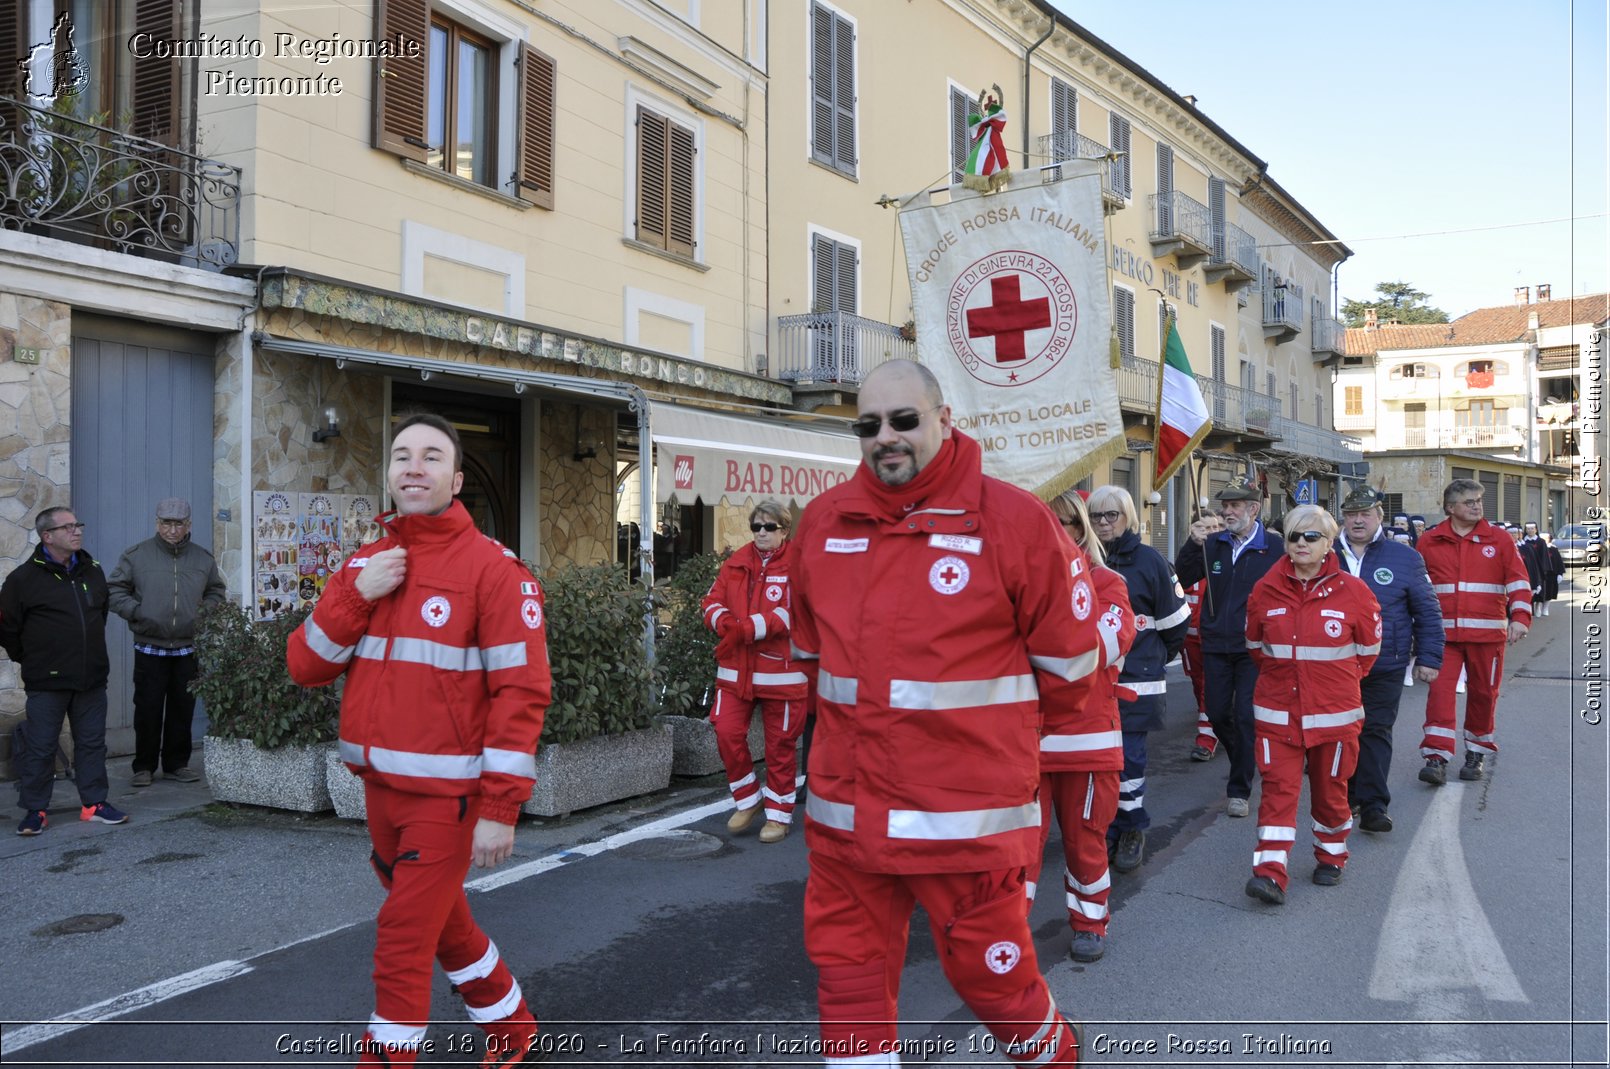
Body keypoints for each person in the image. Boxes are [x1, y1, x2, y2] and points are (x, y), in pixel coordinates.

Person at [790, 359, 1097, 1066]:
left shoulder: (1015, 523)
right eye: (868, 425)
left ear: (944, 419)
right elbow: (812, 661)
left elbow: (1071, 673)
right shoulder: (823, 523)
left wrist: (986, 751)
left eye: (904, 420)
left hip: (966, 827)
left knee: (1000, 990)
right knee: (848, 992)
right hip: (848, 825)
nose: (885, 437)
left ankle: (1058, 1056)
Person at [286, 413, 551, 1067]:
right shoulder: (366, 564)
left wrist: (500, 807)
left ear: (456, 479)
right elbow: (306, 665)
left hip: (449, 799)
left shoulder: (495, 570)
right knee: (443, 920)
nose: (413, 466)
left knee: (403, 935)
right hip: (378, 792)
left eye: (432, 456)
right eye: (402, 454)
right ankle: (514, 1025)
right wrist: (351, 593)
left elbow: (521, 695)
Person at [1243, 504, 1380, 904]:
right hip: (1277, 714)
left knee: (1330, 791)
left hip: (1335, 716)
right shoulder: (1264, 590)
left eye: (1311, 536)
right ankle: (1269, 872)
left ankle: (1332, 857)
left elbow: (1367, 655)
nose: (1301, 543)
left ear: (1329, 543)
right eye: (1293, 536)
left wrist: (1328, 685)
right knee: (1277, 791)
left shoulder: (1356, 593)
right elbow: (1256, 647)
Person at [1028, 489, 1134, 963]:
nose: (1058, 531)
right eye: (1046, 522)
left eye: (1068, 522)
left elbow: (1102, 647)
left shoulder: (1108, 583)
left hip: (1088, 741)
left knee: (1085, 839)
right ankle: (1004, 938)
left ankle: (1090, 922)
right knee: (1016, 847)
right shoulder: (1018, 586)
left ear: (1083, 530)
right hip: (1024, 740)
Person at [4, 508, 129, 835]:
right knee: (41, 746)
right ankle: (35, 810)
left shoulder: (93, 571)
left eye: (78, 525)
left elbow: (99, 615)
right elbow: (7, 629)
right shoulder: (22, 580)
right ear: (48, 536)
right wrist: (34, 660)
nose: (77, 531)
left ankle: (94, 804)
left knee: (91, 743)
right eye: (68, 527)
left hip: (90, 678)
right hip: (47, 681)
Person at [1086, 484, 1188, 873]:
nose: (1103, 523)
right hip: (1093, 683)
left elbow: (1176, 624)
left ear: (1128, 517)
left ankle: (1131, 829)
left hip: (1136, 680)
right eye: (1096, 516)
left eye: (1111, 515)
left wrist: (1154, 659)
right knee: (1098, 762)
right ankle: (1104, 828)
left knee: (1128, 761)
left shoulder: (1150, 562)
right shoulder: (1081, 558)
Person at [1174, 478, 1284, 819]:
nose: (1227, 510)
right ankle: (1246, 758)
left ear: (1253, 509)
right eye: (1226, 504)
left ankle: (1239, 789)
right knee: (1218, 714)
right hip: (1216, 643)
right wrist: (1193, 544)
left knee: (1245, 716)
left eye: (1235, 505)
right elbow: (1183, 573)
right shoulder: (1213, 544)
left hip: (1253, 647)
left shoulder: (1274, 548)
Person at [1336, 488, 1443, 833]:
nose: (1358, 520)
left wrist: (1428, 657)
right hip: (1333, 664)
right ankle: (1343, 797)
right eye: (1351, 513)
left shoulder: (1404, 557)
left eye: (1365, 513)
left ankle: (1373, 805)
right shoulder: (1323, 552)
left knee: (1375, 730)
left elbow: (1427, 610)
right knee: (1340, 734)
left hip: (1385, 663)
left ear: (1379, 517)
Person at [702, 499, 809, 843]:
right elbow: (710, 601)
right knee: (727, 732)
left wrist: (749, 628)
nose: (761, 533)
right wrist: (725, 622)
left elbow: (797, 611)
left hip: (783, 674)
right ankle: (748, 799)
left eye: (769, 527)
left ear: (784, 530)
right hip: (736, 672)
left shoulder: (801, 564)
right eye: (756, 527)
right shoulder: (735, 563)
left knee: (780, 746)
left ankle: (778, 816)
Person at [1414, 479, 1531, 785]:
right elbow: (1415, 588)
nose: (1477, 506)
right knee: (1439, 695)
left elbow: (1518, 581)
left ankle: (1476, 752)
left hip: (1488, 637)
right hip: (1443, 638)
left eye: (1479, 500)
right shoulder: (1429, 540)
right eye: (1469, 502)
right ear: (1450, 508)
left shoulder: (1500, 539)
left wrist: (1520, 617)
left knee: (1483, 695)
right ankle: (1436, 757)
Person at [107, 498, 227, 787]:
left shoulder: (202, 558)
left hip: (188, 646)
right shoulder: (136, 556)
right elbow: (114, 590)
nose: (172, 530)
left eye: (178, 524)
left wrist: (202, 614)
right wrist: (137, 613)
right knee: (147, 707)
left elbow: (216, 591)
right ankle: (143, 766)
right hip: (149, 645)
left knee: (182, 707)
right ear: (157, 524)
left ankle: (176, 764)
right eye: (166, 523)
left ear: (188, 525)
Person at [1183, 509, 1224, 762]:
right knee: (1200, 686)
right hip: (1189, 642)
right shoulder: (1187, 561)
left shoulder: (1224, 560)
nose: (1211, 532)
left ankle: (1206, 739)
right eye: (1205, 527)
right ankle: (1215, 718)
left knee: (1209, 690)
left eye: (1215, 527)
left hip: (1215, 640)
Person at [1539, 533, 1564, 615]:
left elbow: (1559, 562)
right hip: (1540, 574)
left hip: (1551, 574)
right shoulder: (1536, 548)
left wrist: (1560, 573)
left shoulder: (1553, 549)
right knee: (1539, 593)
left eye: (1546, 538)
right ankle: (1537, 608)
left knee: (1550, 592)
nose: (1544, 540)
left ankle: (1545, 608)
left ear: (1549, 539)